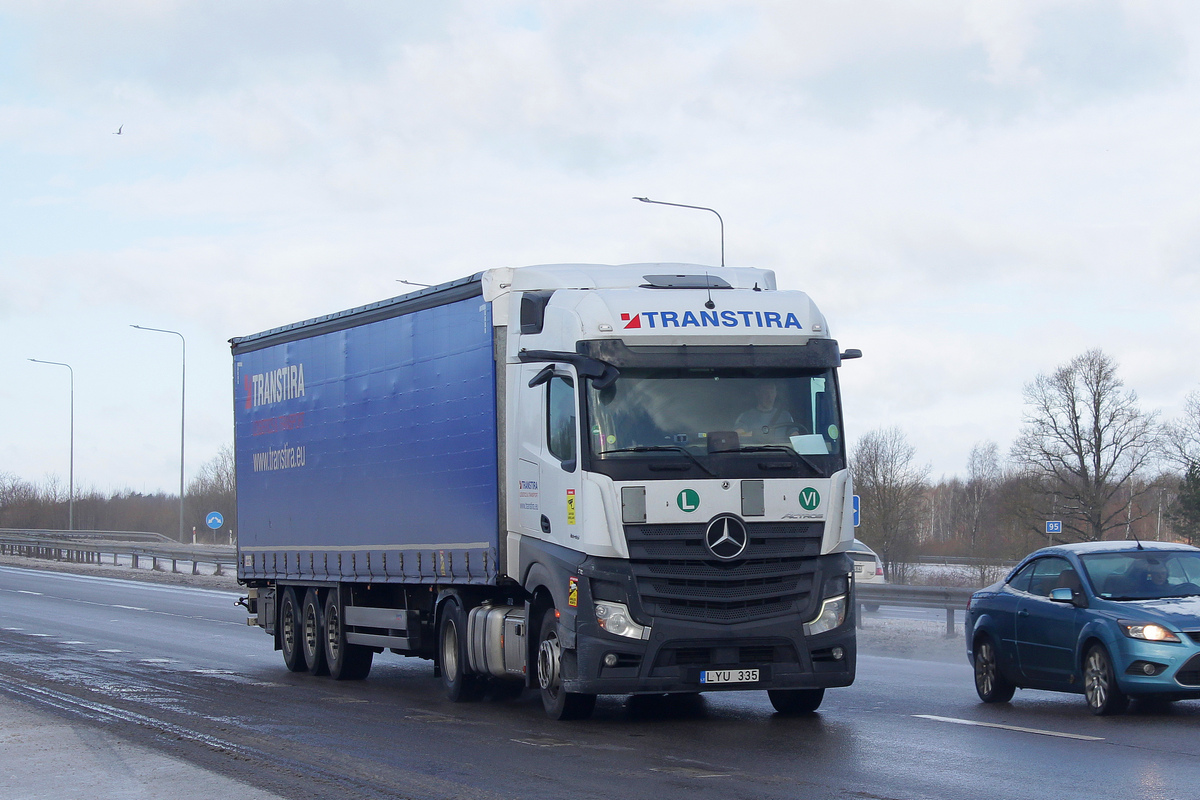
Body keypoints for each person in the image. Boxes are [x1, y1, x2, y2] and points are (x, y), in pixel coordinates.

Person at [734, 382, 798, 444]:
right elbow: (737, 435)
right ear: (757, 394)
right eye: (765, 392)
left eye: (772, 392)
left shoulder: (785, 416)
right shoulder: (746, 416)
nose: (769, 396)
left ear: (776, 394)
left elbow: (795, 438)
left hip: (781, 453)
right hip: (753, 453)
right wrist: (755, 434)